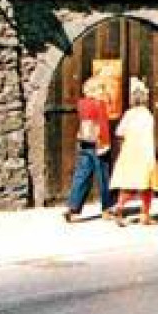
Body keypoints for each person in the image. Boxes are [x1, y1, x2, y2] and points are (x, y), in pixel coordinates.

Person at [109, 77, 158, 226]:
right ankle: (145, 215)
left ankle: (119, 208)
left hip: (129, 153)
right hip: (145, 153)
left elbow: (119, 132)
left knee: (128, 185)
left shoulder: (129, 114)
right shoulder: (147, 115)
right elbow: (148, 136)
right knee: (146, 185)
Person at [62, 75, 115, 222]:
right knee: (103, 177)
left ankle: (73, 208)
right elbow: (103, 125)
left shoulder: (82, 103)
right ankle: (107, 208)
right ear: (97, 90)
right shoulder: (100, 104)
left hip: (85, 142)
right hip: (98, 144)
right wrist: (105, 144)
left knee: (82, 176)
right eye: (102, 88)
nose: (104, 90)